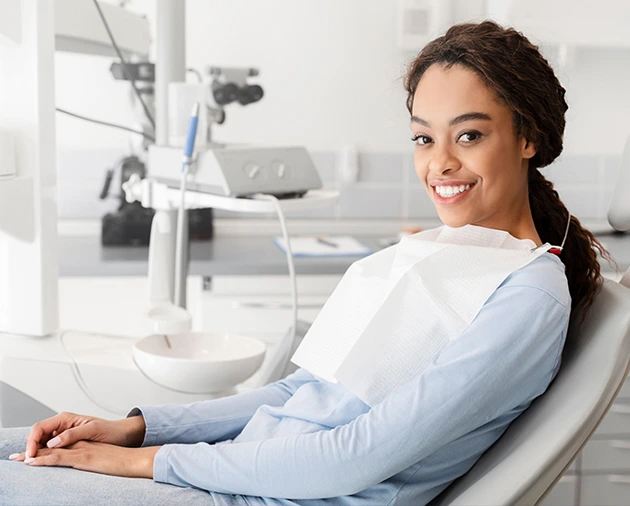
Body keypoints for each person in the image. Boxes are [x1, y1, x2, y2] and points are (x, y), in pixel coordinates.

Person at [0, 20, 613, 506]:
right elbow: (305, 390)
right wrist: (139, 428)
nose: (440, 163)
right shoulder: (446, 255)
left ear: (527, 137)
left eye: (470, 135)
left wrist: (146, 462)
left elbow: (358, 456)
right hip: (232, 473)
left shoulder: (526, 298)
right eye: (424, 138)